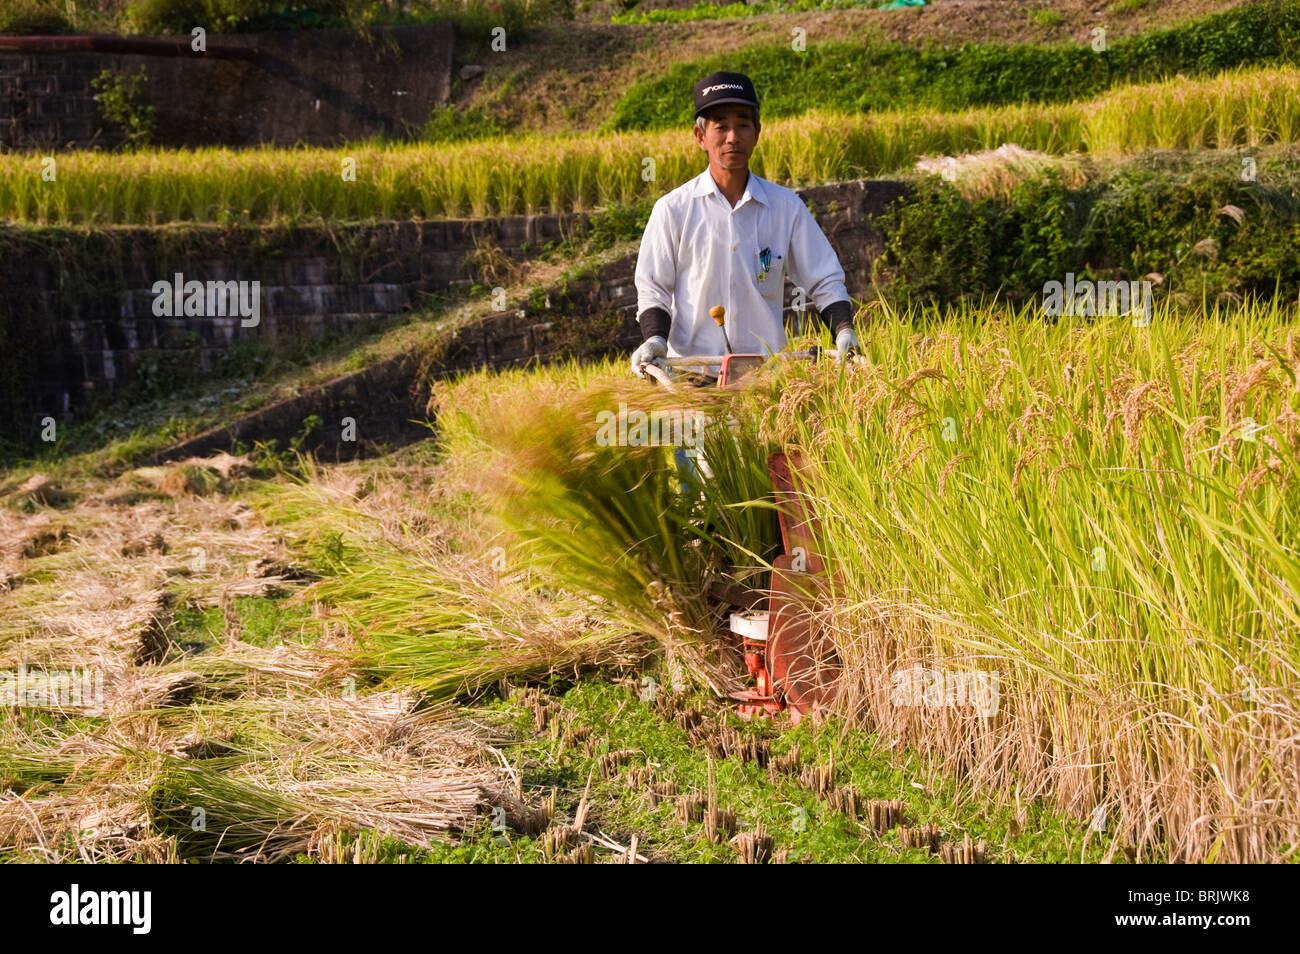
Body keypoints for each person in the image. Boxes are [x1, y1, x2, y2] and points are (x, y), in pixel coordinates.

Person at [631, 70, 860, 378]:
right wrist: (655, 339)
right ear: (700, 137)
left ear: (757, 132)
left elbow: (823, 279)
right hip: (690, 375)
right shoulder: (673, 210)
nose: (732, 137)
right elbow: (653, 288)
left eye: (742, 125)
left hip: (766, 376)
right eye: (721, 126)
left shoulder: (785, 207)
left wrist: (843, 329)